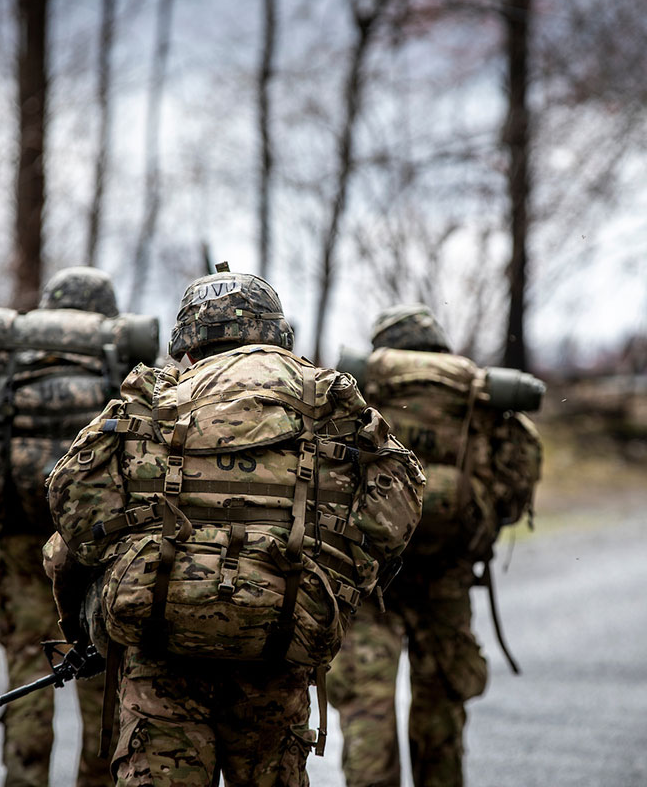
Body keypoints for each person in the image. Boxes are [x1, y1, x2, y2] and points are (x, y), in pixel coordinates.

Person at [44, 266, 425, 787]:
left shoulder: (152, 396)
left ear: (189, 339)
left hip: (162, 646)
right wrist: (341, 575)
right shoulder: (327, 397)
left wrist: (122, 561)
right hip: (282, 638)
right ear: (275, 331)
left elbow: (71, 496)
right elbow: (399, 495)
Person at [0, 266, 147, 787]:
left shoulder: (4, 369)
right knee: (103, 676)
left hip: (19, 546)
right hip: (100, 551)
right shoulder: (123, 369)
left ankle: (24, 779)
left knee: (29, 672)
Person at [329, 304, 543, 787]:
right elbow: (515, 482)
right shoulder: (475, 393)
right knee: (440, 707)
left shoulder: (362, 390)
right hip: (446, 576)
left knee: (367, 706)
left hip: (368, 578)